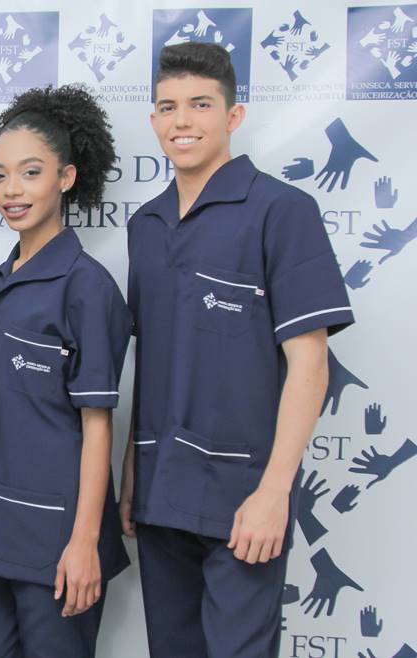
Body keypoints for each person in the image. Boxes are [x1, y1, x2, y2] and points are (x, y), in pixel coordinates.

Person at [119, 42, 354, 657]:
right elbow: (155, 361)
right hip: (160, 492)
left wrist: (275, 493)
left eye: (201, 104)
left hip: (243, 497)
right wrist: (132, 471)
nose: (182, 121)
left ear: (234, 115)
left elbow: (310, 365)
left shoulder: (282, 211)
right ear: (153, 119)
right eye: (168, 107)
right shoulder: (146, 226)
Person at [0, 85, 131, 658]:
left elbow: (97, 426)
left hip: (57, 544)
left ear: (67, 177)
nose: (12, 190)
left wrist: (84, 544)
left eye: (30, 173)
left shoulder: (88, 288)